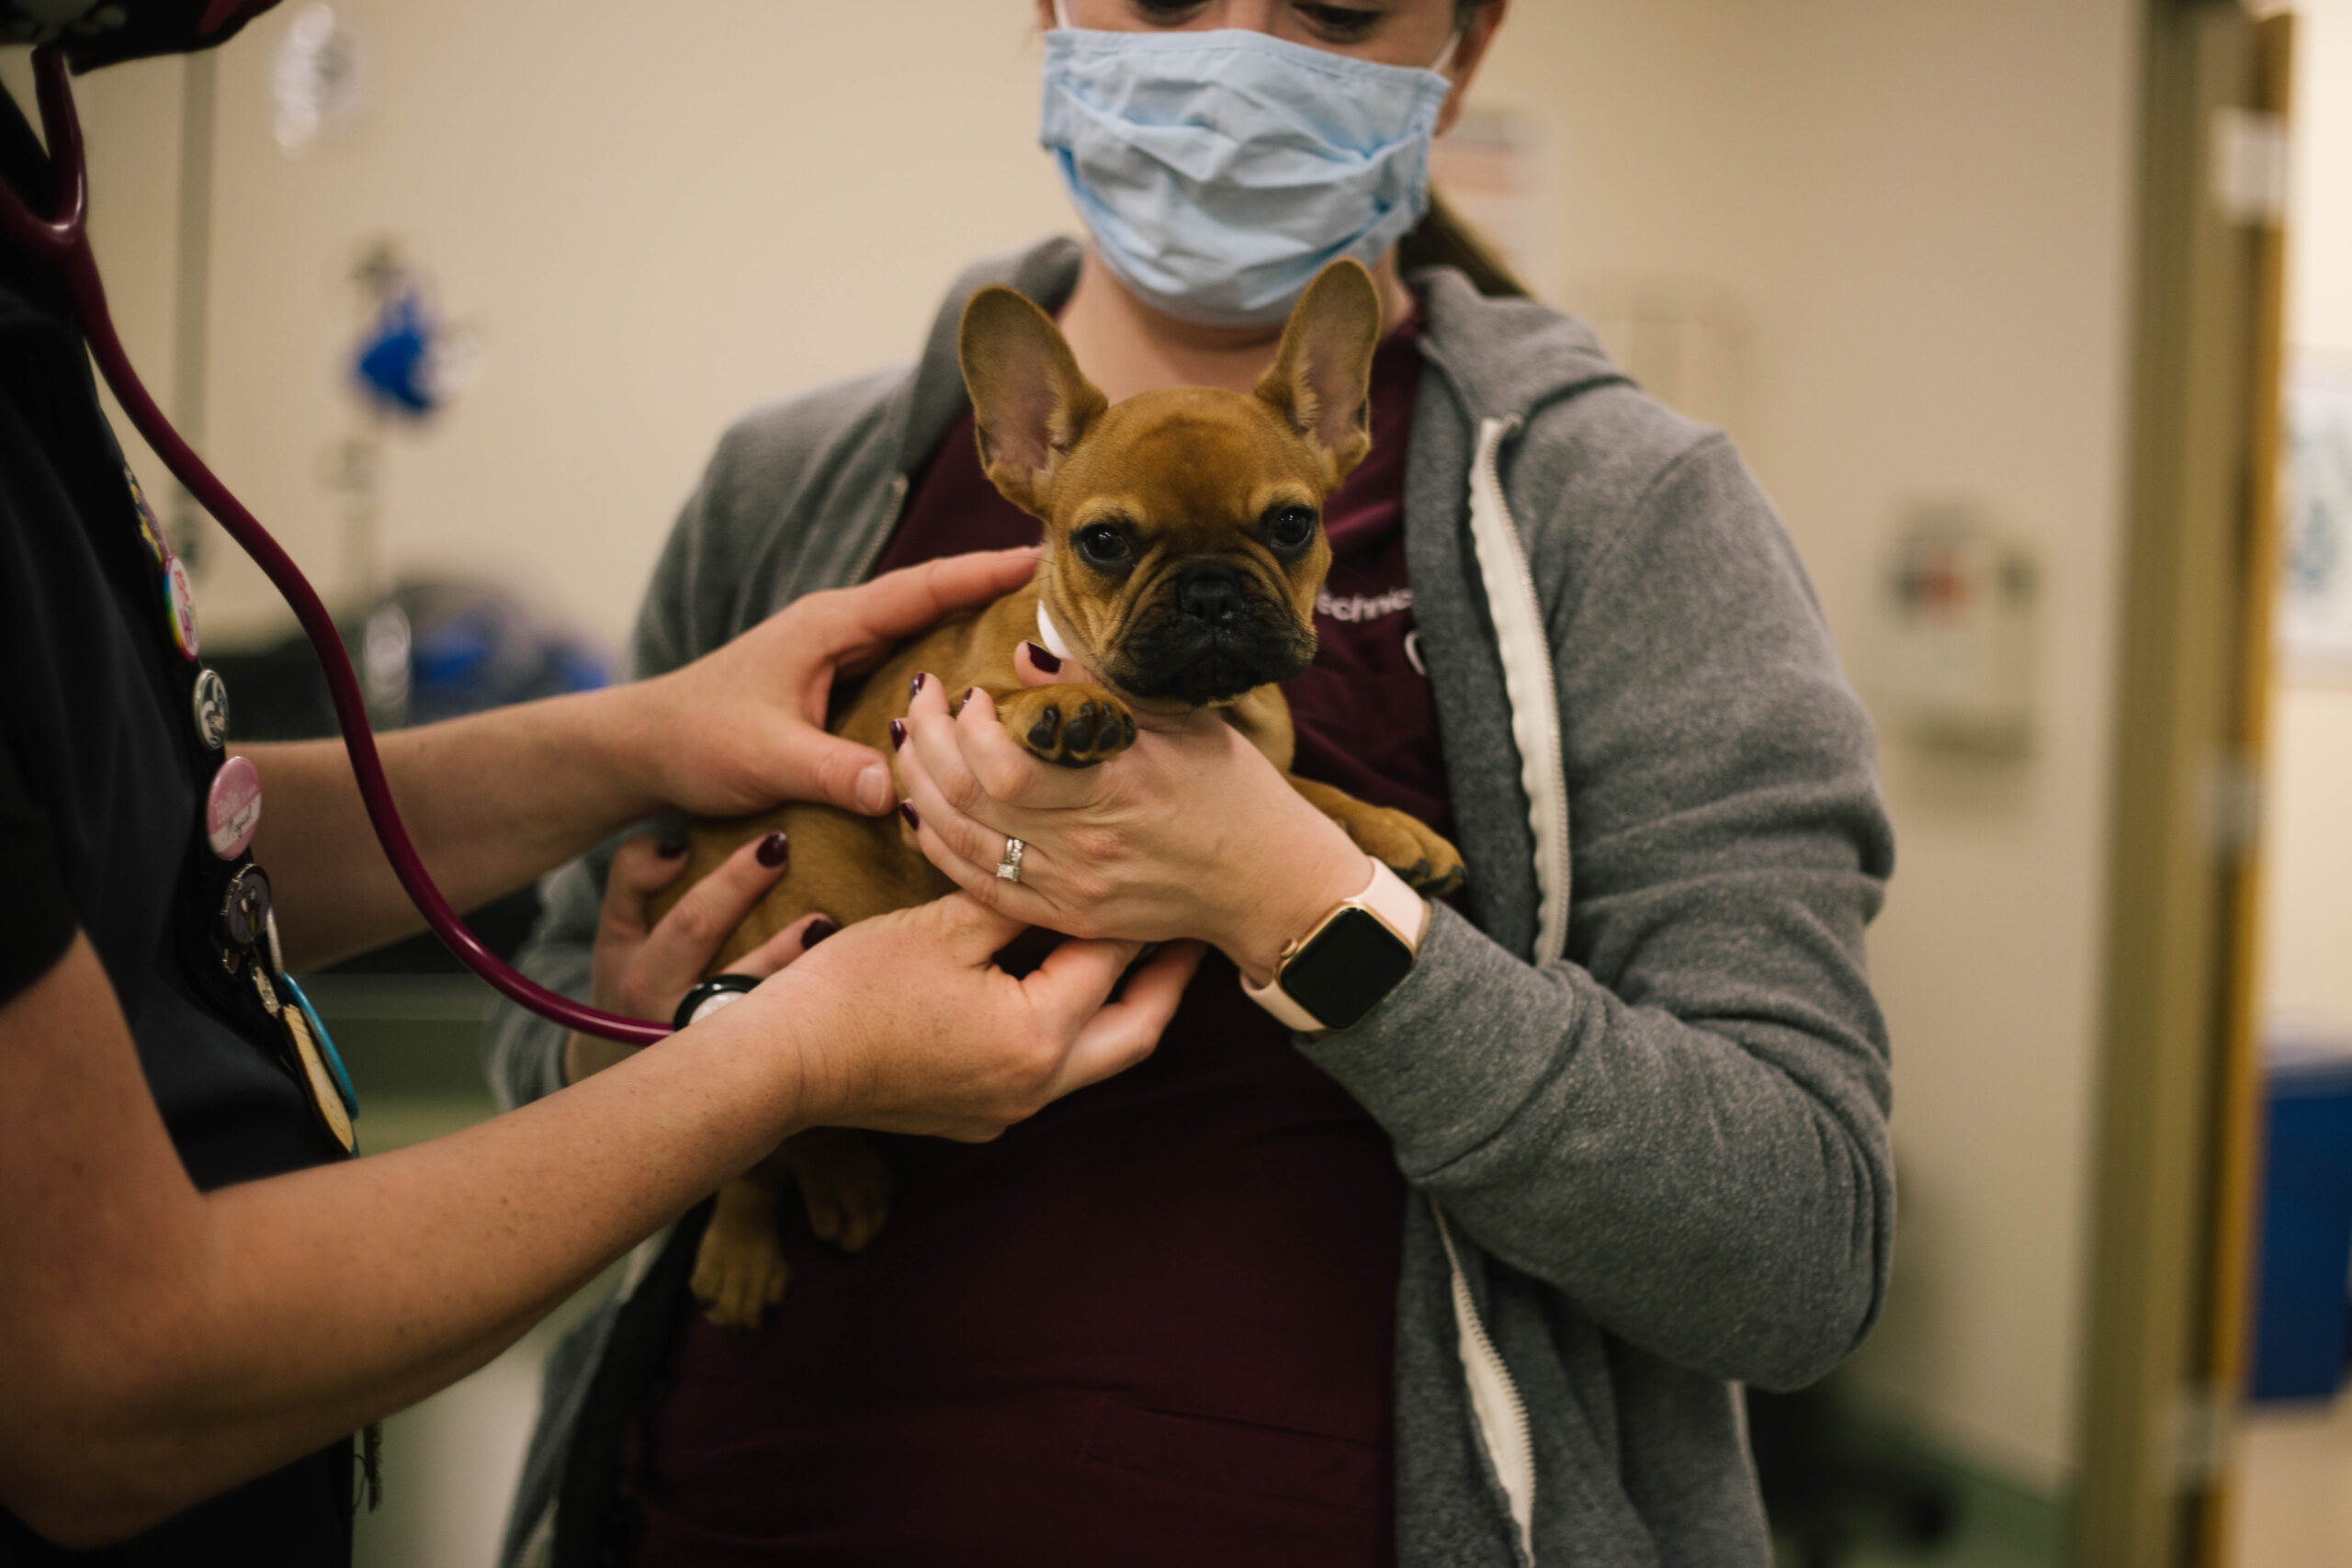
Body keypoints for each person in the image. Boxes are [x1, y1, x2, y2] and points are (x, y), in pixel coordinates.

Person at [492, 1, 1898, 1564]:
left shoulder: (1631, 517)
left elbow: (1803, 1250)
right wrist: (652, 1061)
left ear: (1470, 37)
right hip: (735, 1512)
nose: (1235, 47)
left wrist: (1299, 902)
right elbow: (545, 1021)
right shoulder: (784, 489)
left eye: (1337, 0)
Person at [0, 6, 1199, 1562]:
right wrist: (774, 1067)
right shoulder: (790, 478)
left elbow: (124, 838)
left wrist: (633, 737)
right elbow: (105, 1373)